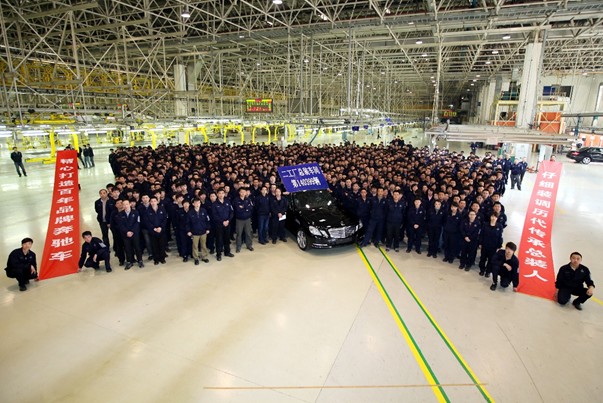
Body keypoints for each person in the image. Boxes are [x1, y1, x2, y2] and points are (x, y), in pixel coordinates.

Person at [116, 200, 144, 270]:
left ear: (130, 204)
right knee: (127, 248)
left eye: (127, 204)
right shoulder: (120, 214)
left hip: (134, 233)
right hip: (125, 234)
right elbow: (120, 225)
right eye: (124, 204)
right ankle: (129, 261)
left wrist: (132, 231)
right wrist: (127, 232)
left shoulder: (136, 212)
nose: (125, 206)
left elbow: (137, 223)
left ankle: (140, 260)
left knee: (137, 247)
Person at [212, 187, 235, 261]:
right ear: (217, 194)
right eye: (219, 193)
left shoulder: (227, 202)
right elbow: (214, 215)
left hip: (227, 223)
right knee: (219, 240)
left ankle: (227, 252)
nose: (221, 195)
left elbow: (231, 212)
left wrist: (228, 220)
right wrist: (222, 222)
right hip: (219, 225)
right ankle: (218, 254)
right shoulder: (214, 204)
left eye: (222, 193)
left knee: (227, 239)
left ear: (224, 194)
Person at [187, 198, 210, 265]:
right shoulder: (190, 213)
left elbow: (207, 220)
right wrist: (188, 231)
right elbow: (187, 223)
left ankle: (204, 257)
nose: (197, 204)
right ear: (193, 204)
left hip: (203, 231)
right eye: (196, 203)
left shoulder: (204, 211)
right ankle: (196, 258)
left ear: (200, 203)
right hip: (194, 232)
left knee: (203, 245)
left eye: (198, 203)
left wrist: (208, 228)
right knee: (195, 246)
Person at [146, 196, 168, 265]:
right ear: (150, 202)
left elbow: (165, 219)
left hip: (161, 231)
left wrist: (161, 227)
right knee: (154, 246)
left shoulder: (162, 209)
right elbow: (147, 221)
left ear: (157, 202)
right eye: (151, 201)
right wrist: (154, 228)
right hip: (152, 231)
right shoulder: (147, 211)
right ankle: (156, 259)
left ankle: (162, 258)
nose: (153, 203)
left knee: (162, 245)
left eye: (154, 201)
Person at [233, 187, 254, 252]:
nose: (243, 193)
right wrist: (246, 208)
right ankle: (238, 247)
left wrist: (243, 207)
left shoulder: (248, 199)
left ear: (246, 193)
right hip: (239, 219)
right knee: (239, 234)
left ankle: (249, 245)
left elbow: (251, 208)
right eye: (241, 192)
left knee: (248, 233)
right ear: (239, 192)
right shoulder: (236, 200)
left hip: (247, 219)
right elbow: (238, 209)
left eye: (244, 192)